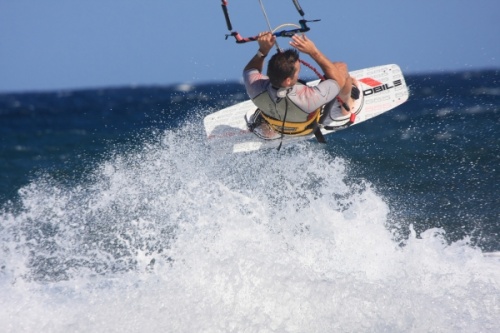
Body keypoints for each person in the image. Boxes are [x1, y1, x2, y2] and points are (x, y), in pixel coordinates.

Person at [243, 31, 359, 136]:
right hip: (304, 129)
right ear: (288, 80)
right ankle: (347, 105)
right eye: (298, 71)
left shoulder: (255, 86)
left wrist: (263, 50)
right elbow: (338, 80)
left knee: (268, 109)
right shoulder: (308, 97)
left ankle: (267, 130)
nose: (299, 73)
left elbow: (250, 70)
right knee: (341, 68)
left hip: (276, 126)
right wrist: (314, 52)